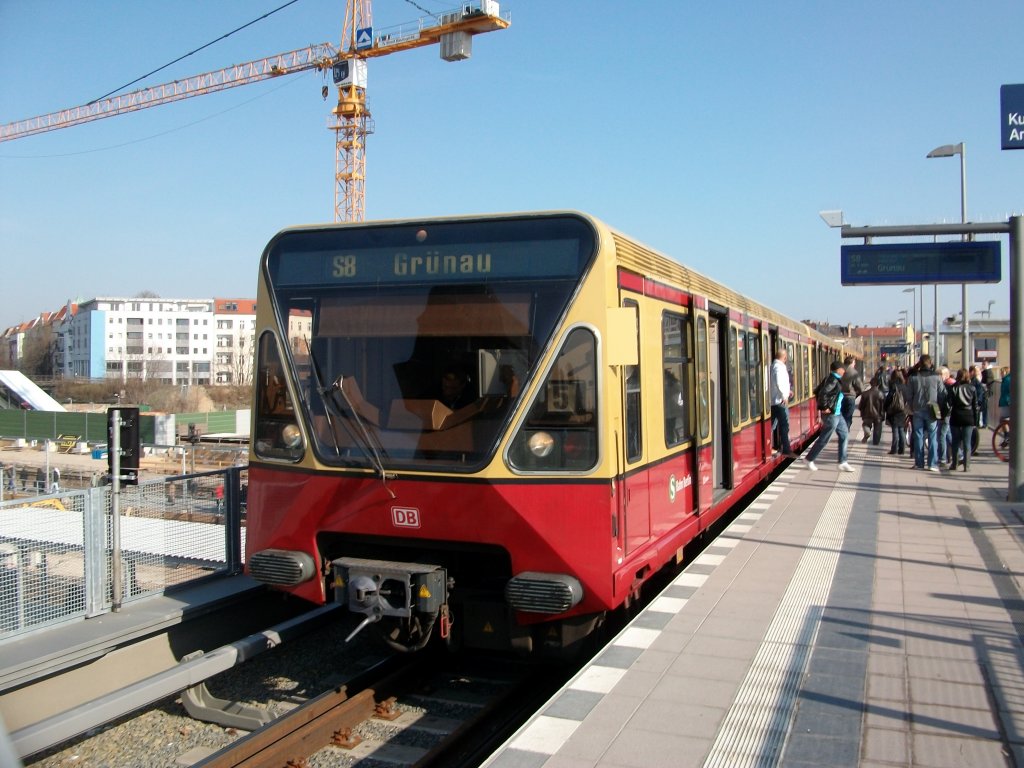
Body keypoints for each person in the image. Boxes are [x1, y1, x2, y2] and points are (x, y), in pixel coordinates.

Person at [803, 360, 852, 472]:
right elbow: (822, 393)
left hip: (837, 413)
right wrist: (824, 407)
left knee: (844, 435)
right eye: (843, 369)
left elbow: (817, 391)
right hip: (831, 415)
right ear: (838, 370)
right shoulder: (832, 380)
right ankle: (809, 459)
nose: (844, 371)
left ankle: (843, 461)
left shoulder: (835, 379)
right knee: (825, 438)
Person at [908, 354, 945, 471]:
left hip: (917, 409)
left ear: (920, 363)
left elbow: (908, 395)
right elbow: (942, 394)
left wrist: (912, 406)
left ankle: (919, 463)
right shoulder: (937, 377)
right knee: (933, 436)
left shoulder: (913, 378)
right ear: (931, 363)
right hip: (933, 409)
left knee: (918, 436)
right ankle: (932, 464)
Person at [948, 368, 979, 472]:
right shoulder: (972, 388)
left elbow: (949, 403)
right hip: (968, 416)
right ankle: (967, 466)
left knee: (955, 441)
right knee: (967, 442)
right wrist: (976, 421)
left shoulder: (953, 388)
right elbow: (975, 406)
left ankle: (955, 464)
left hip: (956, 415)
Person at [769, 349, 795, 457]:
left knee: (772, 425)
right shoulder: (778, 368)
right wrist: (784, 395)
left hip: (776, 400)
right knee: (785, 425)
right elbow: (779, 382)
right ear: (784, 358)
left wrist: (787, 391)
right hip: (779, 401)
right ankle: (786, 450)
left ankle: (768, 446)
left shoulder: (774, 366)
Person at [884, 369, 912, 455]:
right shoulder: (905, 386)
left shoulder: (893, 386)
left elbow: (889, 398)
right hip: (903, 410)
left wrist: (885, 407)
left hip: (894, 410)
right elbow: (908, 397)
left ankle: (894, 449)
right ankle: (902, 449)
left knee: (895, 429)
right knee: (901, 429)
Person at [858, 375, 885, 445]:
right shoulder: (881, 394)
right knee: (878, 428)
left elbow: (861, 406)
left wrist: (862, 412)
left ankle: (867, 431)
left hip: (867, 414)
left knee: (866, 424)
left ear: (870, 384)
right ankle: (876, 442)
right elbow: (883, 406)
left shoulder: (865, 394)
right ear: (879, 384)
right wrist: (882, 414)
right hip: (878, 415)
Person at [839, 356, 865, 430]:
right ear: (851, 363)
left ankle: (842, 431)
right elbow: (859, 385)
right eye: (854, 363)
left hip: (840, 396)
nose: (854, 364)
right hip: (850, 397)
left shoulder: (840, 370)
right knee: (848, 416)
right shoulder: (853, 372)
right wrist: (862, 393)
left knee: (842, 416)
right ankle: (845, 432)